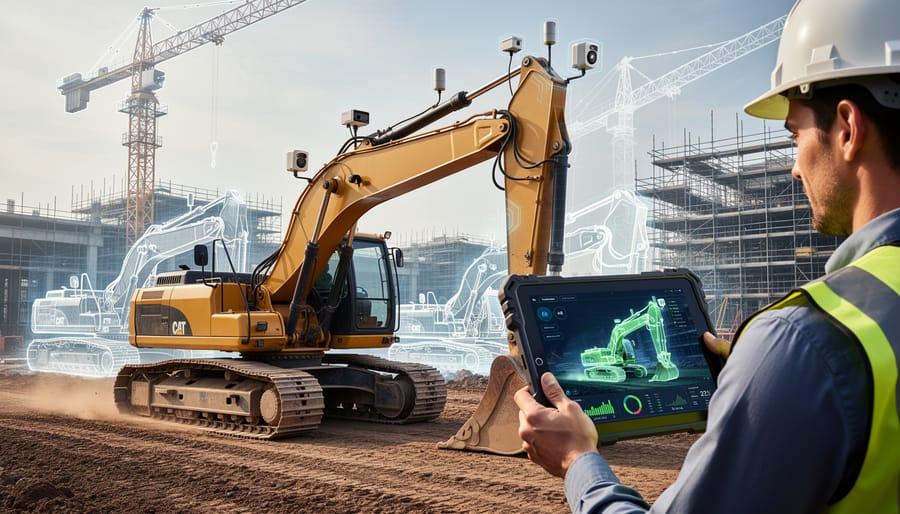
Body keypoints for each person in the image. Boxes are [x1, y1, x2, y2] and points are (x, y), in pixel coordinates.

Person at [514, 0, 900, 512]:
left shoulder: (807, 339)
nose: (794, 167)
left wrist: (577, 460)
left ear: (847, 128)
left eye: (795, 135)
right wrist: (761, 370)